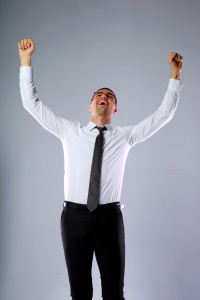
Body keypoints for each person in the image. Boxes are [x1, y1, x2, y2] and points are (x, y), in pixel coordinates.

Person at [18, 38, 183, 300]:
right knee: (80, 293)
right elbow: (32, 105)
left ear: (114, 108)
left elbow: (162, 116)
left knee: (114, 292)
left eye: (110, 96)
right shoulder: (69, 131)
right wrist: (25, 61)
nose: (104, 97)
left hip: (109, 218)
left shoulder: (125, 136)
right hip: (74, 218)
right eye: (99, 95)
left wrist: (175, 76)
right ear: (91, 105)